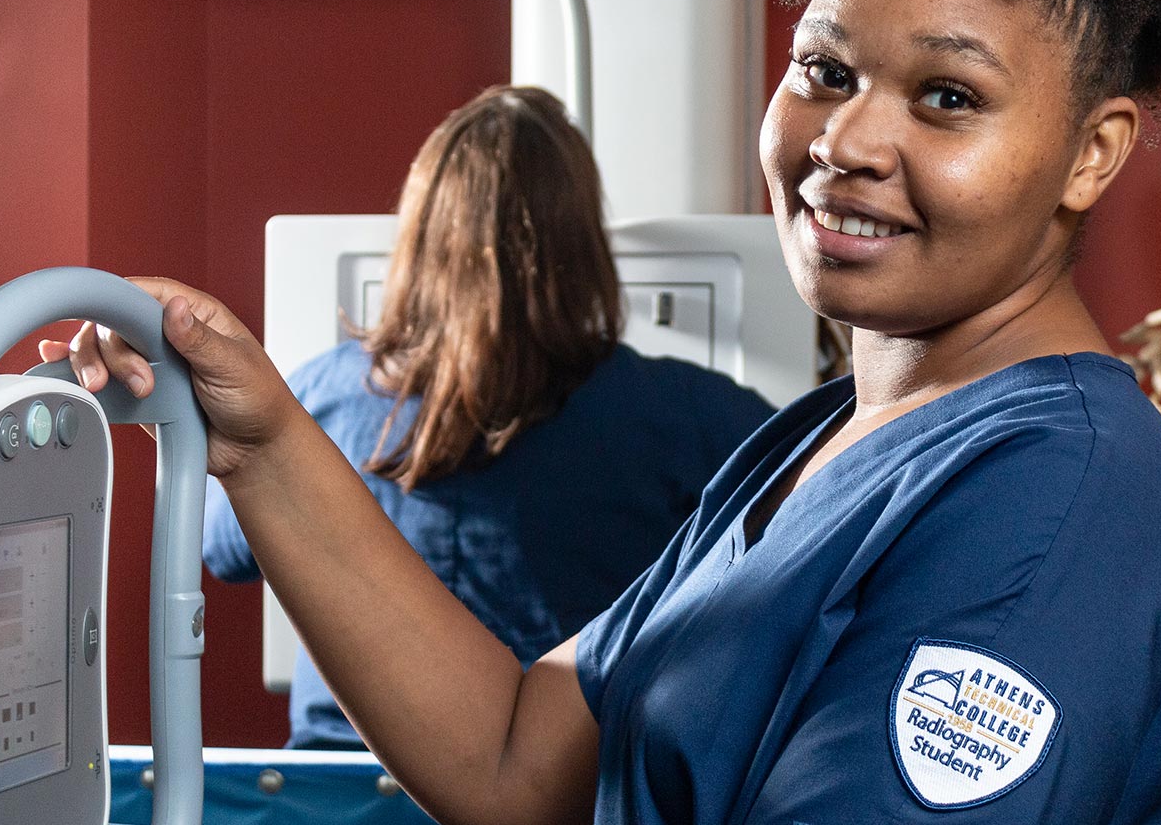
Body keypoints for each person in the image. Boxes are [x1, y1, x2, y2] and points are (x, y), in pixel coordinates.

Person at [47, 0, 1161, 821]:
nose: (848, 141)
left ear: (1092, 153)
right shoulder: (810, 447)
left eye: (948, 97)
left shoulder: (1050, 509)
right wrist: (263, 438)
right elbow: (515, 759)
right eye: (823, 68)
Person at [199, 84, 776, 749]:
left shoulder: (315, 401)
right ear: (581, 246)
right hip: (567, 792)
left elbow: (223, 550)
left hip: (343, 793)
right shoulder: (687, 415)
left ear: (417, 237)